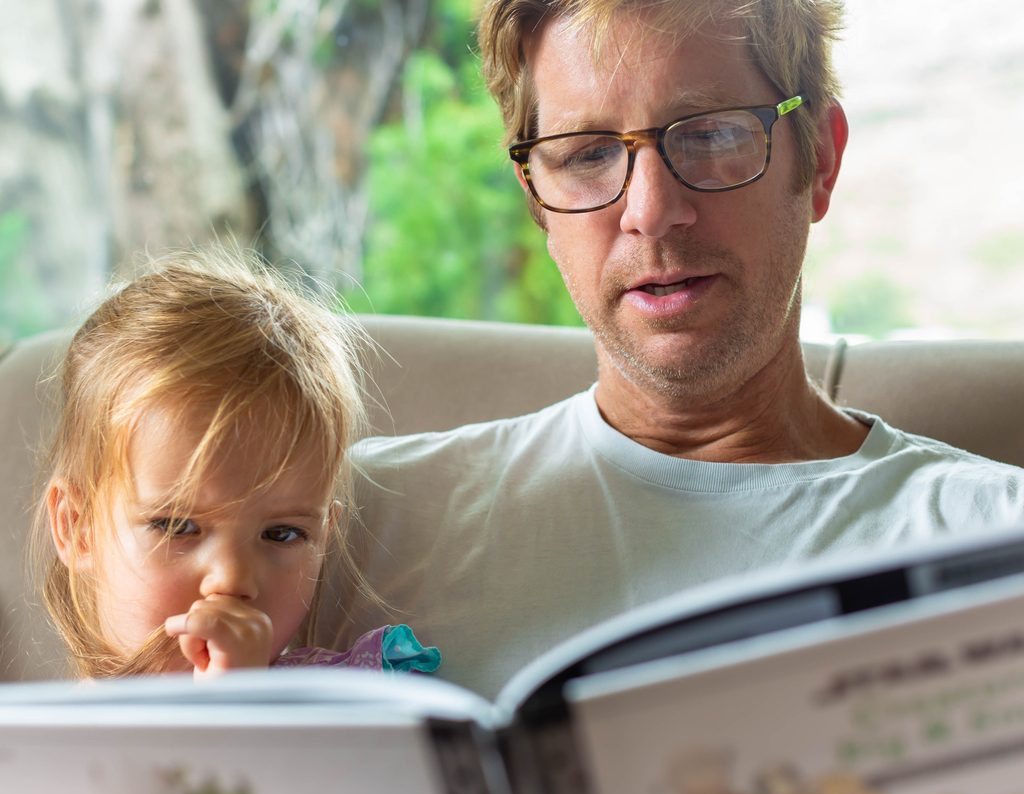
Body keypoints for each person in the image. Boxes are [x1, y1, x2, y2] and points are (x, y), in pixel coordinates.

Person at [338, 0, 1024, 700]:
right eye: (588, 154)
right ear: (536, 200)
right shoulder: (331, 526)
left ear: (818, 158)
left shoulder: (998, 542)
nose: (651, 210)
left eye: (709, 135)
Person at [35, 249, 440, 679]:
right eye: (177, 526)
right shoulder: (35, 731)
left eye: (282, 533)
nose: (231, 580)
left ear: (324, 538)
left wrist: (241, 706)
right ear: (77, 527)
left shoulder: (345, 702)